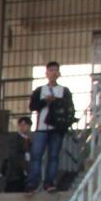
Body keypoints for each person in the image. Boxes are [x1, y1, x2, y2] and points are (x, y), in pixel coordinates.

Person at [27, 61, 75, 194]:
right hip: (42, 127)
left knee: (53, 156)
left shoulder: (64, 91)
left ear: (59, 73)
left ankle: (49, 183)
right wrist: (45, 101)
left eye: (56, 70)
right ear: (46, 73)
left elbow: (70, 108)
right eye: (51, 70)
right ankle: (32, 183)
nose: (53, 73)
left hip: (57, 128)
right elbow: (32, 106)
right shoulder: (39, 90)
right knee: (36, 155)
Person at [0, 116, 32, 193]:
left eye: (25, 125)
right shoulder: (15, 139)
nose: (22, 127)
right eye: (20, 125)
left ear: (29, 126)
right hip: (15, 174)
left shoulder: (28, 140)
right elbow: (13, 156)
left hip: (23, 173)